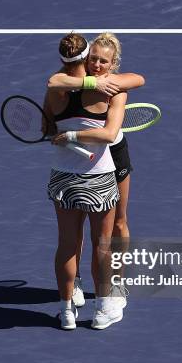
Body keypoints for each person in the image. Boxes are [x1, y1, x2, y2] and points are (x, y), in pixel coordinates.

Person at [44, 33, 141, 330]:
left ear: (113, 64)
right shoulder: (71, 81)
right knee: (81, 238)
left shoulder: (114, 84)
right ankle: (81, 290)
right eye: (93, 58)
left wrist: (69, 135)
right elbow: (55, 83)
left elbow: (138, 78)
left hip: (112, 155)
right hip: (94, 167)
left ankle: (115, 288)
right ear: (85, 58)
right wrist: (91, 82)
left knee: (118, 225)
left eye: (104, 61)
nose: (97, 64)